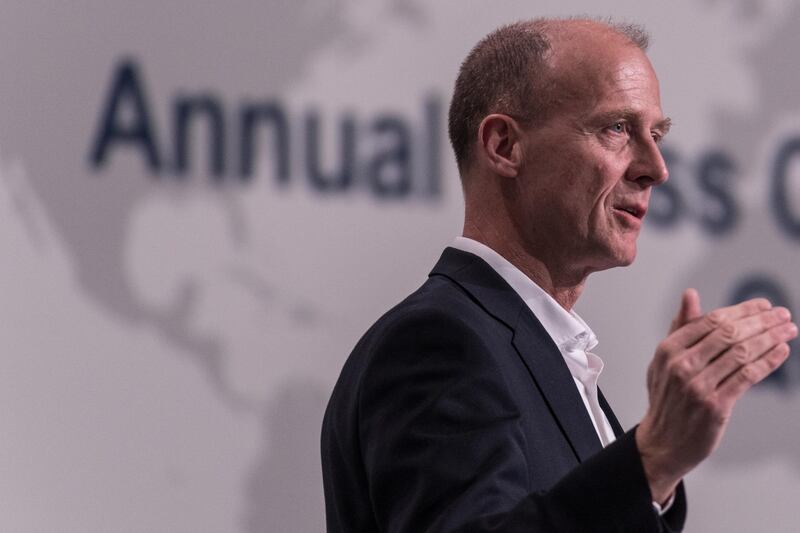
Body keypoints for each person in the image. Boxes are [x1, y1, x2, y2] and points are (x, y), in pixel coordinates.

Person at [320, 17, 798, 532]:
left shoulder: (545, 354)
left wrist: (653, 479)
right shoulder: (437, 343)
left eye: (656, 134)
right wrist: (652, 460)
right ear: (504, 146)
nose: (656, 168)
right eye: (617, 128)